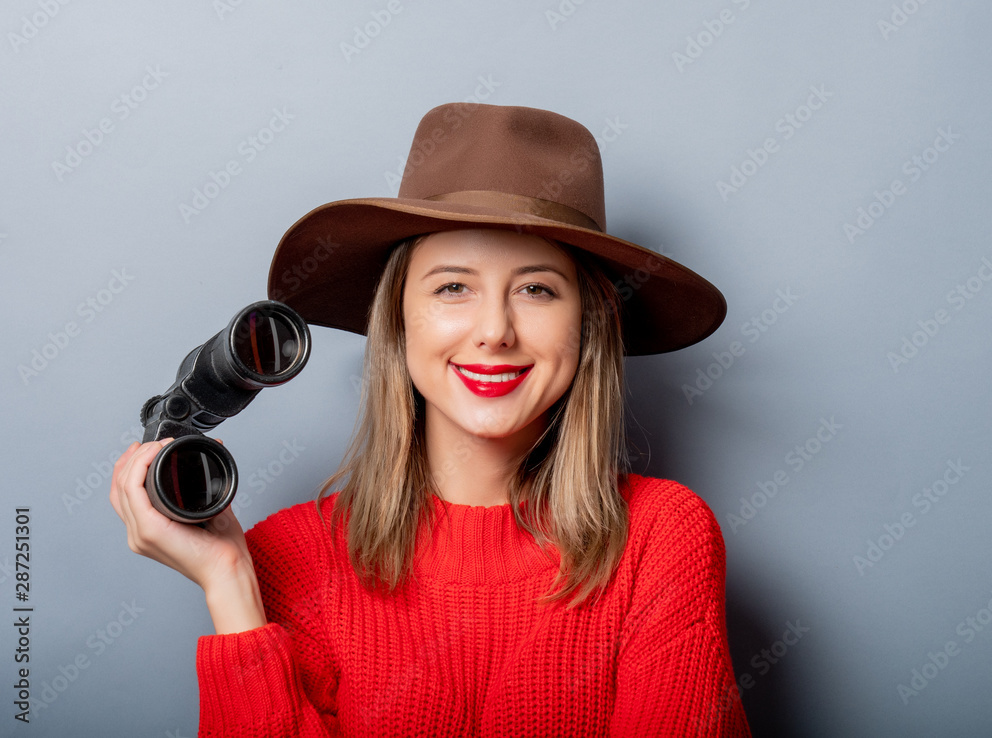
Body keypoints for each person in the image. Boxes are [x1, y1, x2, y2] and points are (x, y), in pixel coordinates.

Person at [110, 102, 752, 736]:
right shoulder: (288, 557)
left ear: (587, 327)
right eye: (453, 287)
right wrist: (229, 588)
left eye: (537, 289)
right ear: (397, 322)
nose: (495, 331)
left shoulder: (663, 539)